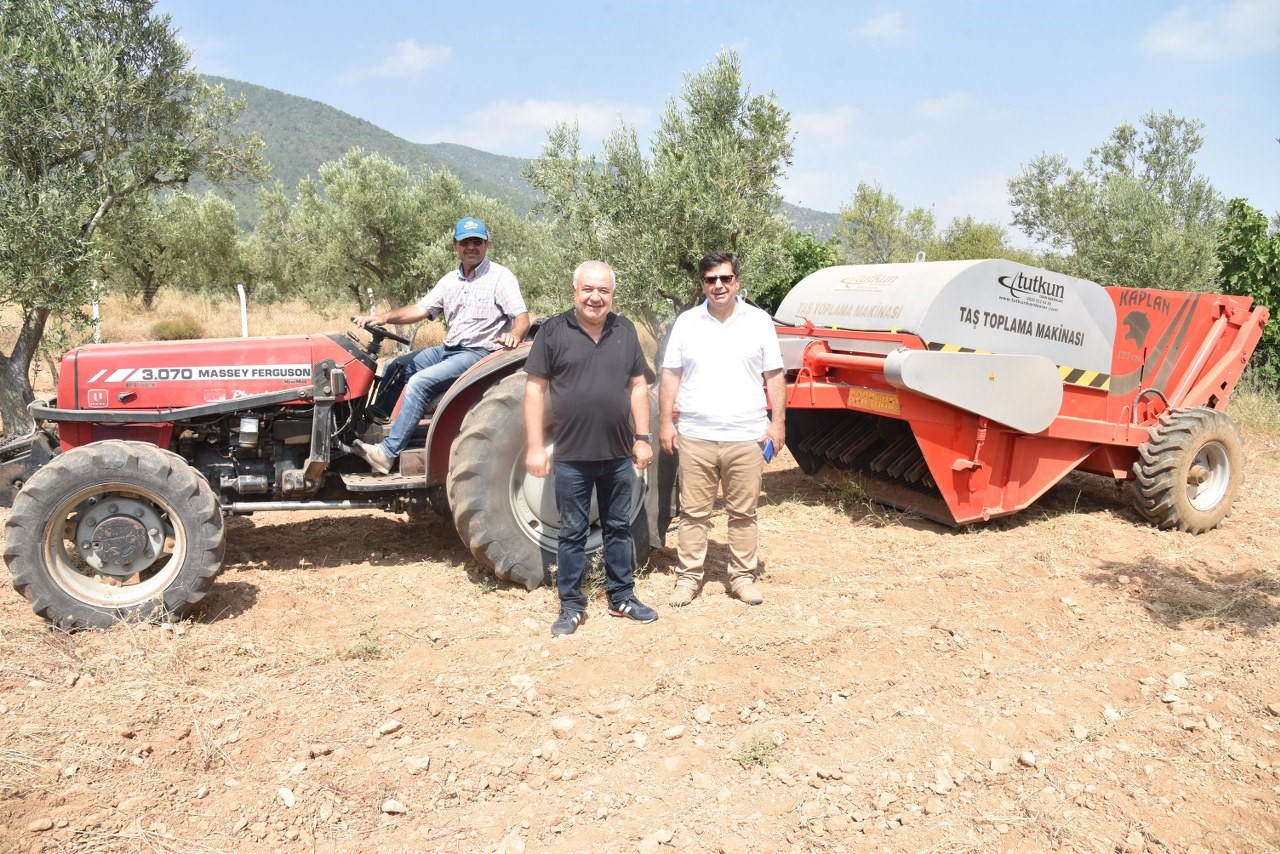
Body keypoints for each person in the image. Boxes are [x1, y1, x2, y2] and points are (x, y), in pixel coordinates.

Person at [524, 260, 657, 637]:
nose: (595, 297)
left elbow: (637, 387)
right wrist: (535, 446)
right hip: (571, 456)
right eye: (588, 289)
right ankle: (571, 605)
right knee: (572, 532)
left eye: (604, 291)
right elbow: (534, 390)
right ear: (575, 291)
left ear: (612, 295)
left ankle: (622, 597)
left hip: (617, 455)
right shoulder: (552, 331)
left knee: (618, 527)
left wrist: (642, 437)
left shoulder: (625, 330)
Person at [351, 217, 529, 474]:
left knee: (420, 382)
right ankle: (374, 428)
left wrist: (515, 334)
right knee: (396, 366)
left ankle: (387, 454)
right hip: (449, 349)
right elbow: (421, 309)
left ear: (486, 244)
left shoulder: (500, 277)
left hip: (479, 354)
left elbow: (521, 317)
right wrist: (384, 318)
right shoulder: (450, 281)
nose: (471, 247)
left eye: (477, 242)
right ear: (454, 246)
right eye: (465, 242)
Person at [659, 252, 785, 607]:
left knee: (744, 513)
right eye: (711, 279)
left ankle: (742, 578)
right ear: (702, 284)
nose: (719, 285)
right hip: (696, 435)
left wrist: (778, 424)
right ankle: (688, 579)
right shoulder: (687, 322)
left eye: (725, 279)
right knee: (693, 513)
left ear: (737, 282)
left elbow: (774, 374)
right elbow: (671, 373)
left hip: (745, 436)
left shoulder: (759, 322)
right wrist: (666, 421)